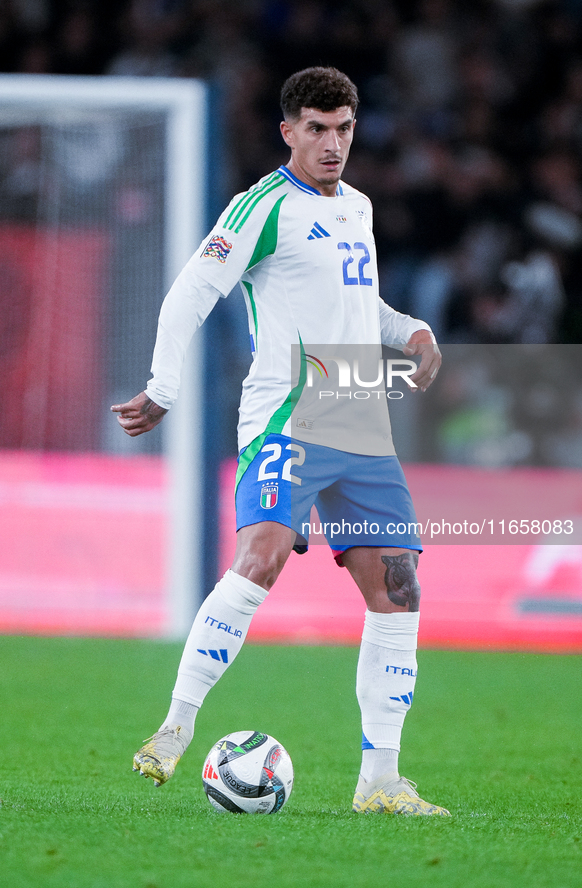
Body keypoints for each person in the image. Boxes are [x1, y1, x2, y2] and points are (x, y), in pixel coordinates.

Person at [112, 66, 448, 816]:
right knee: (260, 559)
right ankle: (173, 729)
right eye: (318, 129)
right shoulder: (261, 206)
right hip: (290, 416)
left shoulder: (356, 206)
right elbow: (190, 292)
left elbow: (361, 304)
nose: (333, 144)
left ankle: (380, 782)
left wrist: (412, 330)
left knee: (397, 590)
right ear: (288, 131)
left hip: (358, 416)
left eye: (345, 129)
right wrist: (163, 388)